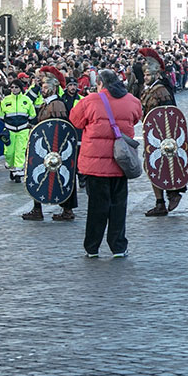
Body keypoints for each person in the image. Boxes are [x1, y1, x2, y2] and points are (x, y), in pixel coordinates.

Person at [69, 69, 141, 257]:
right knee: (118, 206)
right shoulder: (132, 101)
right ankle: (118, 246)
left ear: (100, 83)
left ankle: (92, 247)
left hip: (95, 165)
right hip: (121, 162)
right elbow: (136, 117)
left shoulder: (90, 100)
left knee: (96, 208)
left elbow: (75, 120)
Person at [21, 66, 77, 221]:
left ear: (54, 88)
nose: (43, 89)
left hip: (54, 149)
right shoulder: (47, 103)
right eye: (43, 86)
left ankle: (67, 210)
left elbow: (58, 128)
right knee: (37, 175)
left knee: (62, 176)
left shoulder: (56, 105)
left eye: (46, 87)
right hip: (44, 148)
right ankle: (37, 209)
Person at [139, 48, 186, 217]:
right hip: (151, 136)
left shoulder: (161, 91)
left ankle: (171, 194)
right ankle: (160, 202)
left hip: (162, 136)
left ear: (157, 75)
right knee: (151, 166)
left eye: (149, 75)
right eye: (145, 75)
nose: (146, 78)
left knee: (163, 165)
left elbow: (168, 115)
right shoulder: (148, 90)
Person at [0, 79, 36, 182]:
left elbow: (32, 114)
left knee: (20, 151)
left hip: (23, 129)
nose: (14, 89)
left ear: (20, 88)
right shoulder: (5, 100)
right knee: (9, 152)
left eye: (16, 87)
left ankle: (18, 172)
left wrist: (29, 125)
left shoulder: (27, 100)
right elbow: (1, 116)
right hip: (10, 129)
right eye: (12, 87)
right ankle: (11, 168)